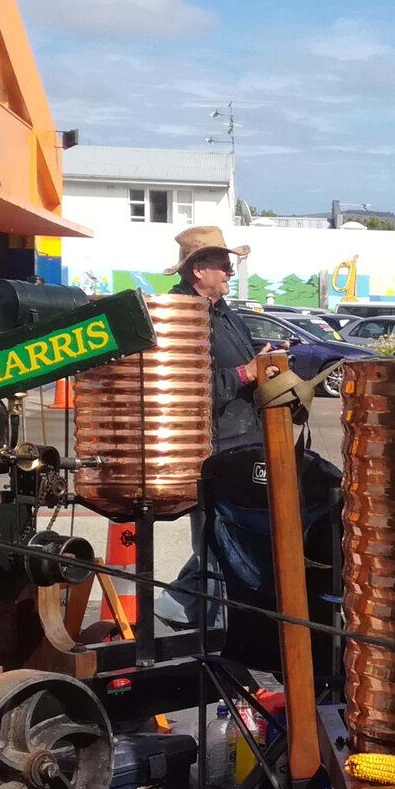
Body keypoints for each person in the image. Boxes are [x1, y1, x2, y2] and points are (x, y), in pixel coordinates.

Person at [158, 225, 258, 630]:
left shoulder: (222, 312)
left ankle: (176, 610)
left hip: (240, 445)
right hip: (211, 450)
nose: (230, 273)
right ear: (199, 270)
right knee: (220, 543)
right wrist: (245, 373)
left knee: (229, 541)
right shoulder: (181, 316)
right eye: (223, 265)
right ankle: (211, 634)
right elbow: (187, 387)